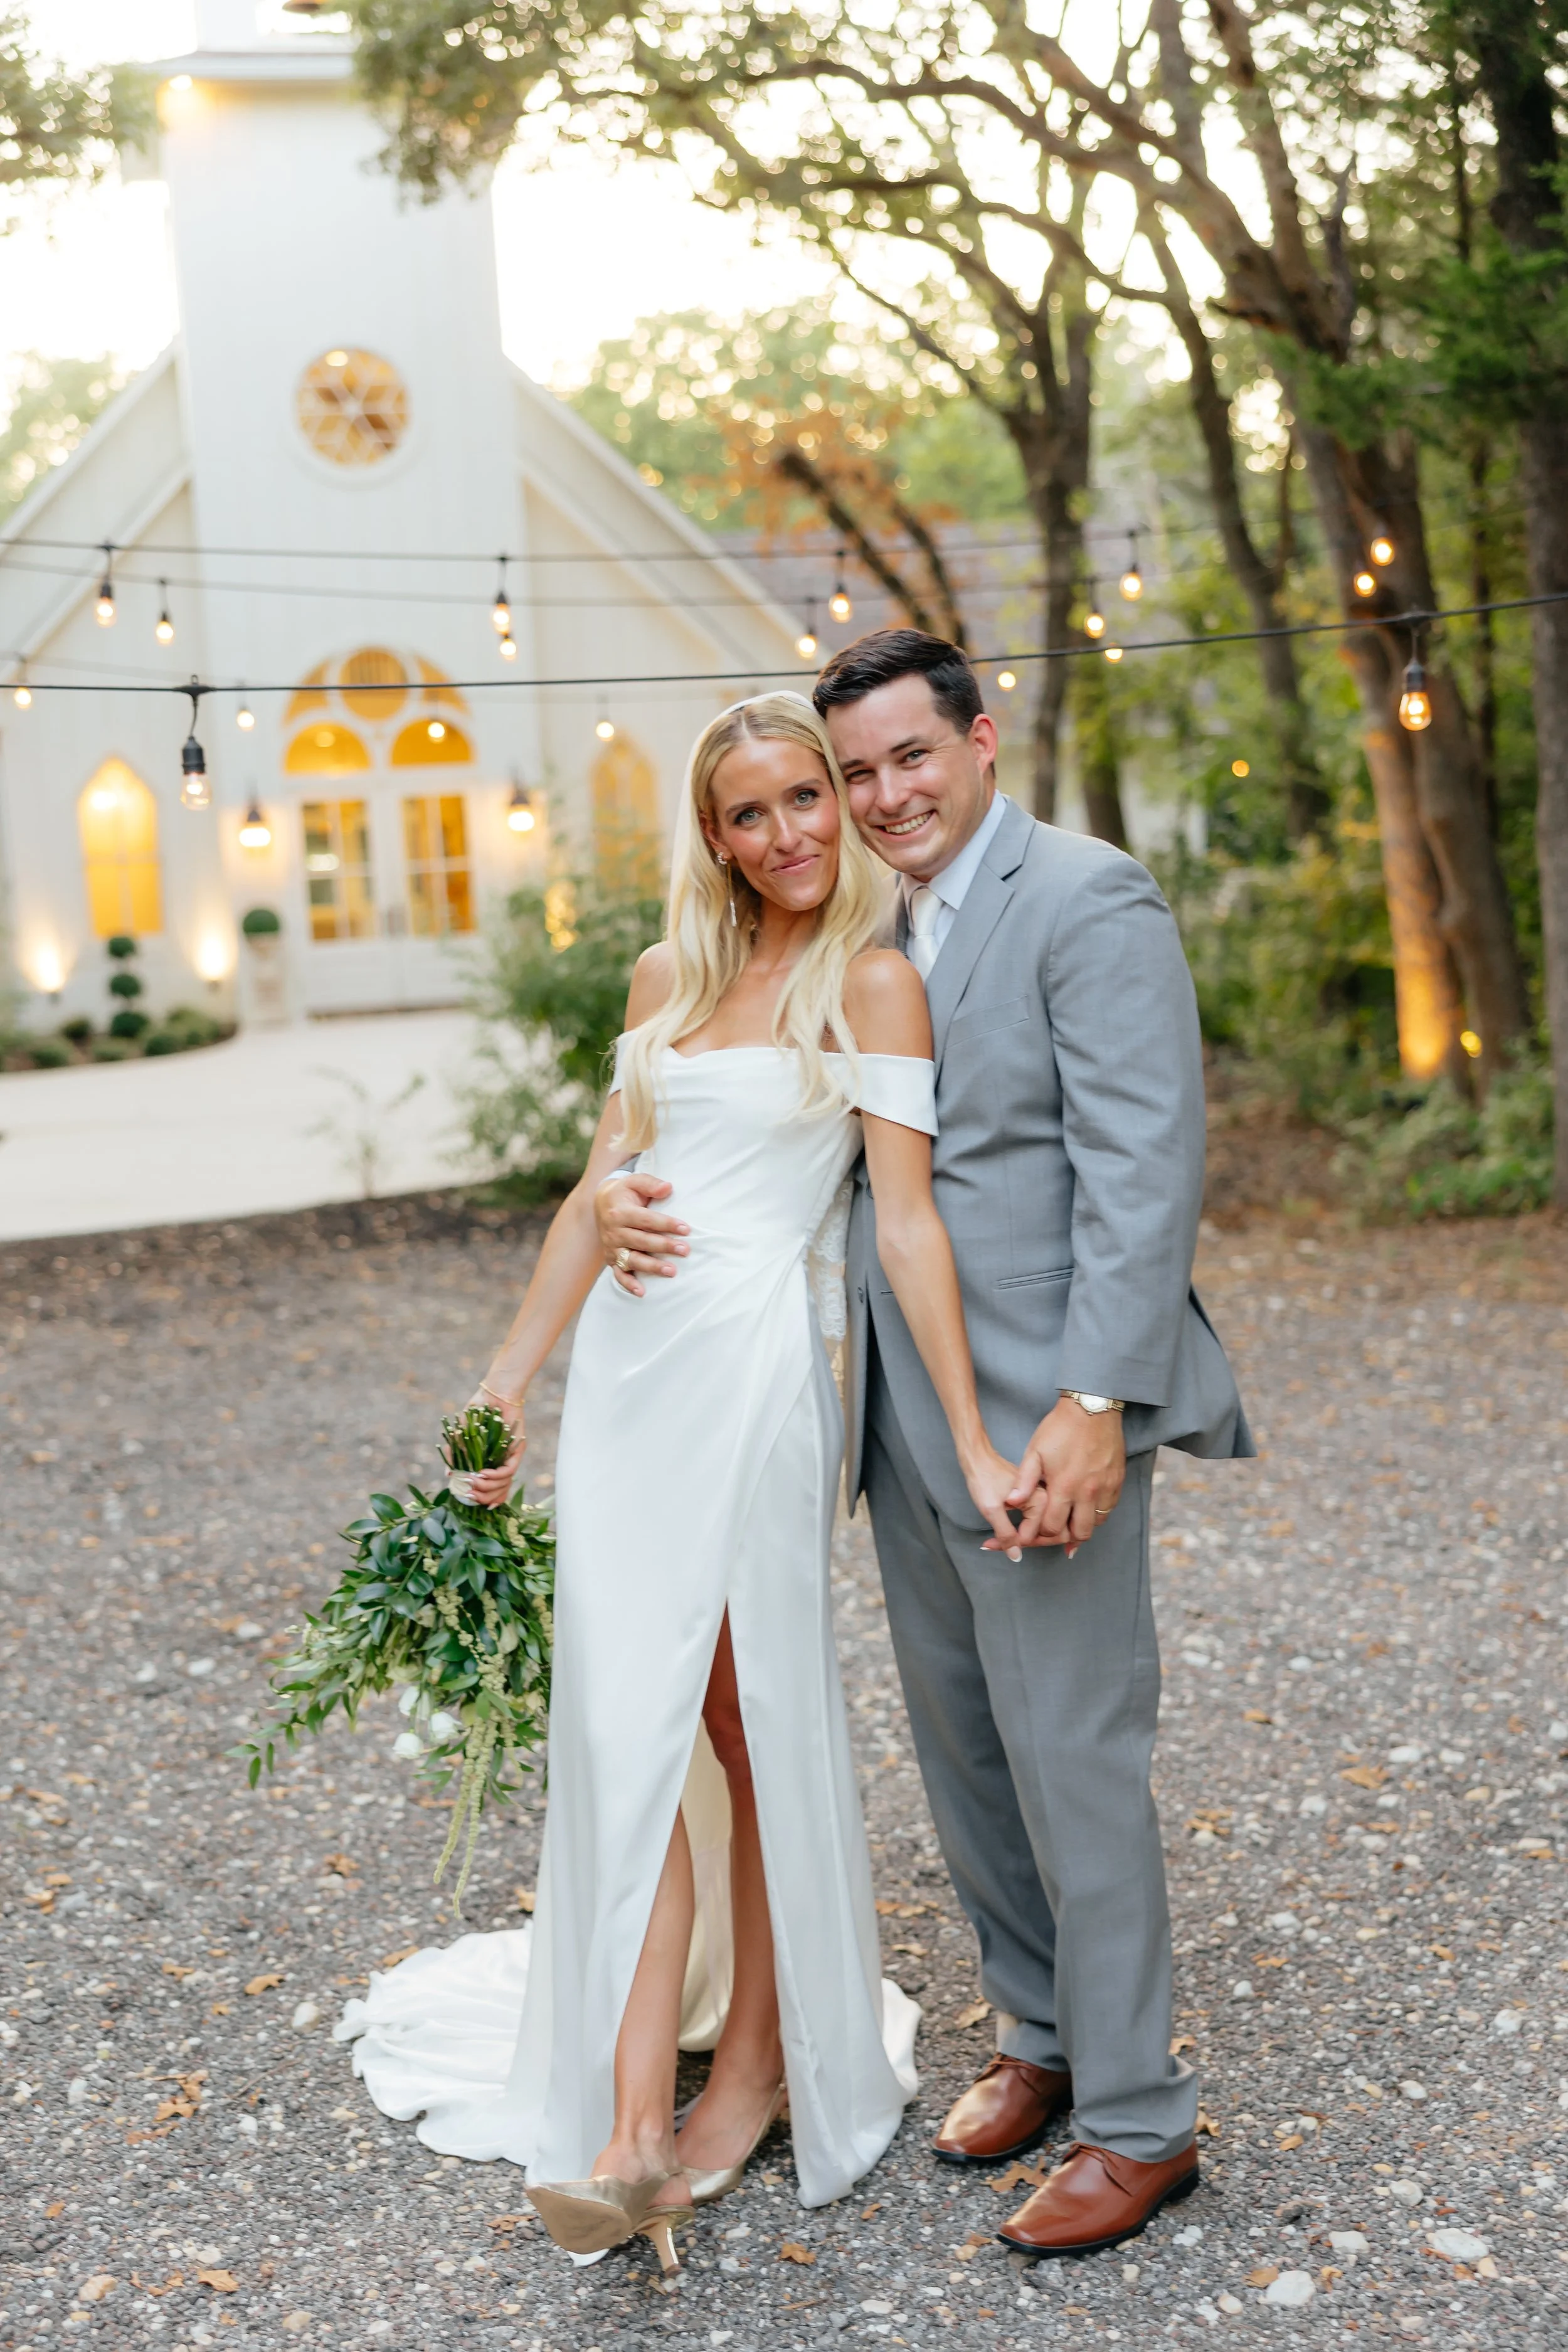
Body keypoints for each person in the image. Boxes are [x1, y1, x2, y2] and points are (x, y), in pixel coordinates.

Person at [336, 691, 1021, 2276]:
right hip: (633, 1387)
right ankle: (637, 2123)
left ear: (837, 811)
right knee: (632, 1720)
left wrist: (978, 1435)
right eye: (749, 812)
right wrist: (501, 1390)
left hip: (758, 1372)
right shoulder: (670, 979)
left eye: (806, 799)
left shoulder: (875, 983)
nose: (785, 833)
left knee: (741, 1718)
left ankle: (727, 2089)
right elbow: (598, 1195)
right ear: (710, 835)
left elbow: (902, 1223)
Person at [596, 629, 1252, 2260]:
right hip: (892, 1416)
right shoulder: (864, 924)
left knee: (1072, 1757)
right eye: (855, 770)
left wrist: (1095, 1399)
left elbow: (1141, 1165)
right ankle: (1038, 2034)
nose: (883, 795)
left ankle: (1140, 2118)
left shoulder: (1084, 896)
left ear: (977, 737)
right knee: (966, 1756)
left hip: (1043, 1418)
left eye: (909, 757)